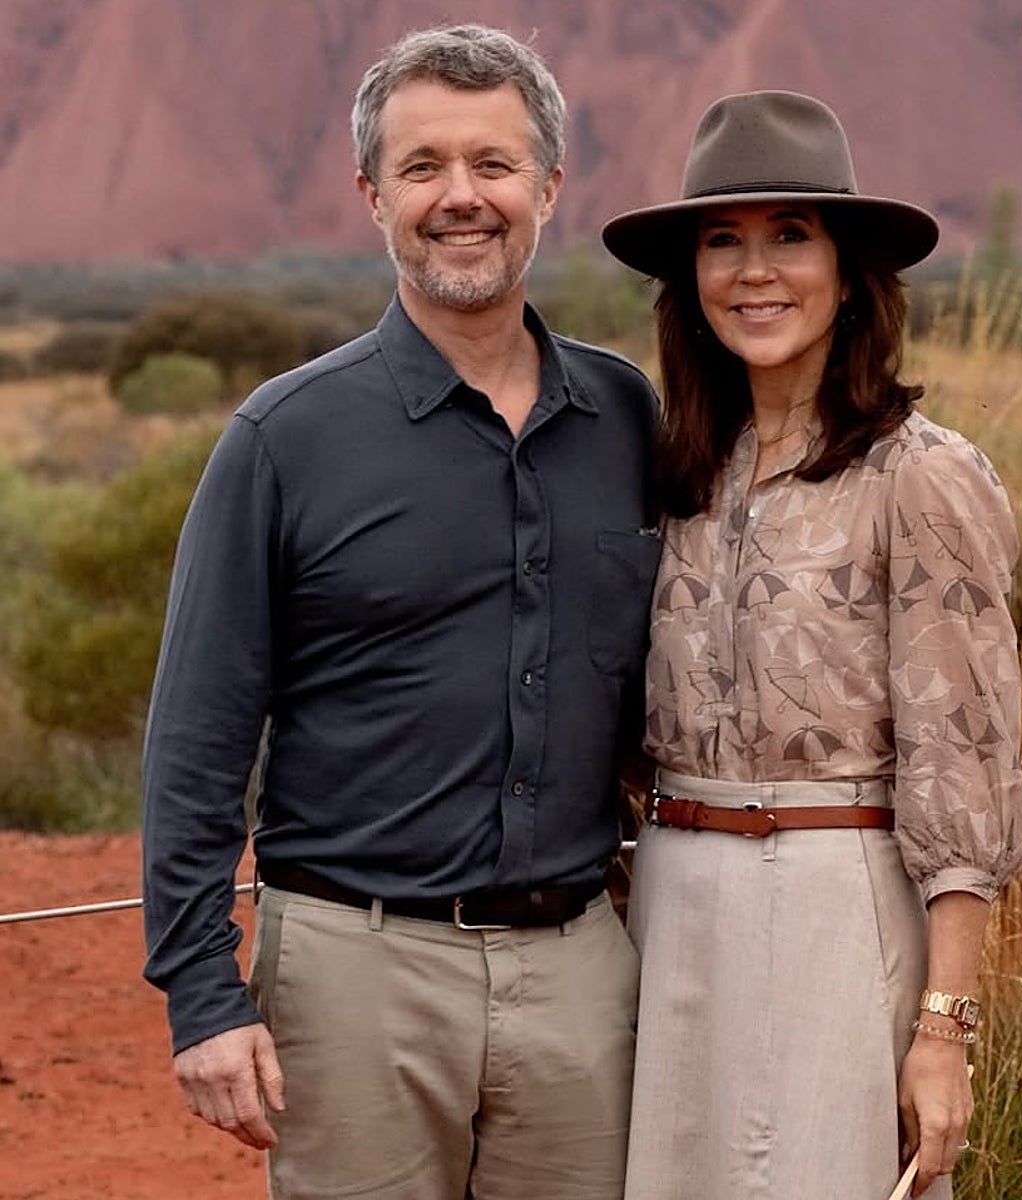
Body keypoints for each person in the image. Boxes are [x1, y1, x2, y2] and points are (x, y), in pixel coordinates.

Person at [141, 24, 660, 1200]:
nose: (459, 196)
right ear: (373, 195)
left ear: (549, 187)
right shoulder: (285, 439)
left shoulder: (626, 418)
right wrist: (201, 994)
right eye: (423, 166)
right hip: (354, 972)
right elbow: (198, 738)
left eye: (493, 163)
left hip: (581, 973)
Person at [602, 91, 1022, 1199]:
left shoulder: (921, 475)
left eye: (791, 234)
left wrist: (945, 1028)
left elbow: (964, 760)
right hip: (672, 907)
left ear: (849, 275)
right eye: (723, 241)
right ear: (691, 281)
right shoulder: (681, 474)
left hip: (838, 907)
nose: (756, 272)